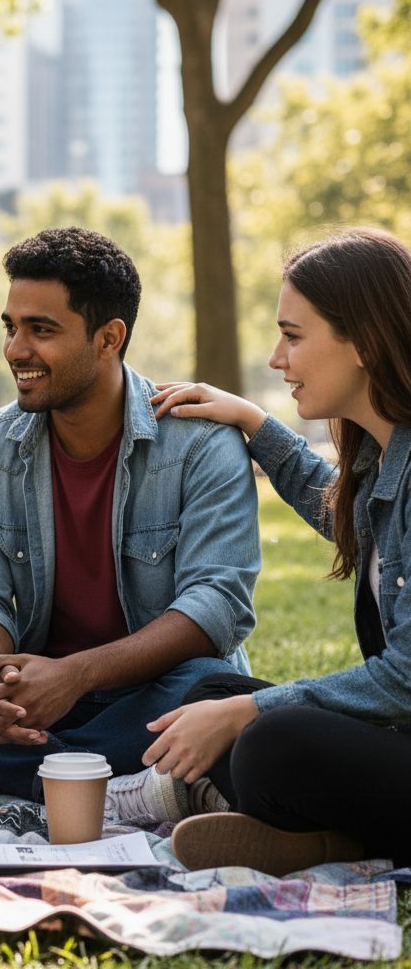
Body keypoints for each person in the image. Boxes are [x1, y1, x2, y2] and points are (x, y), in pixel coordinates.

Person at [0, 226, 261, 806]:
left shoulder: (201, 443)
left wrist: (76, 675)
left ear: (109, 338)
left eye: (41, 330)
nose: (15, 349)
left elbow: (216, 608)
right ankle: (101, 781)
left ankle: (0, 772)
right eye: (10, 327)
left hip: (151, 691)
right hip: (36, 694)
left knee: (210, 684)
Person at [115, 227, 411, 875]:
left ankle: (329, 834)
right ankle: (330, 838)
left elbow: (406, 679)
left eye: (293, 336)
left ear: (363, 341)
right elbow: (336, 508)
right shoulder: (384, 459)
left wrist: (249, 710)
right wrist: (251, 421)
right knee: (209, 688)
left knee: (268, 739)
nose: (277, 359)